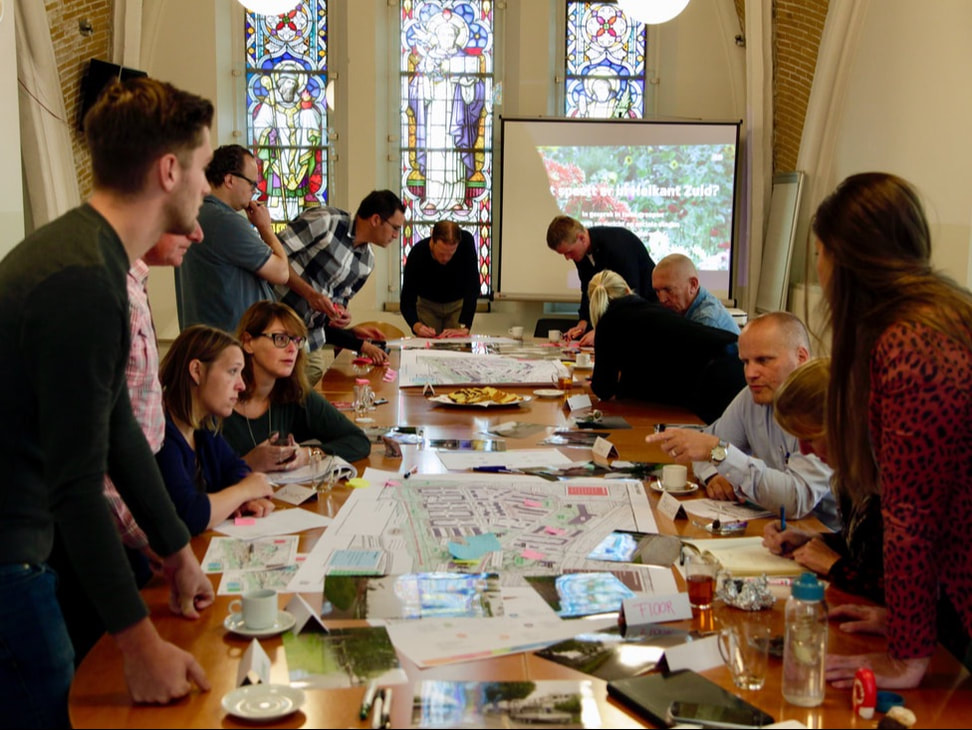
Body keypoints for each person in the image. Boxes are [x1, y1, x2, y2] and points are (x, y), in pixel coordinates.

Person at [0, 77, 215, 725]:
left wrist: (177, 551)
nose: (206, 188)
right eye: (203, 169)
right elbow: (75, 485)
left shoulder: (93, 254)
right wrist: (139, 643)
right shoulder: (83, 281)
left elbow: (118, 425)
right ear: (168, 170)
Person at [811, 173, 972, 689]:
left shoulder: (911, 344)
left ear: (844, 257)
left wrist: (907, 655)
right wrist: (907, 622)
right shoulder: (940, 315)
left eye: (819, 252)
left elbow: (911, 518)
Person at [50, 223, 205, 666]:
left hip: (127, 518)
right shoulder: (105, 290)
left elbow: (127, 424)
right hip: (98, 527)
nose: (197, 233)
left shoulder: (133, 283)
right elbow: (95, 449)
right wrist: (151, 537)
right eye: (186, 215)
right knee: (103, 668)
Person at [645, 311, 838, 530]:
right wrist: (713, 476)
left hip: (830, 535)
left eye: (763, 360)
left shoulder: (821, 403)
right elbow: (703, 447)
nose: (750, 373)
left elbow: (795, 500)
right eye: (745, 362)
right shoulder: (752, 396)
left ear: (801, 357)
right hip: (788, 530)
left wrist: (720, 453)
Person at [761, 358, 884, 604]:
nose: (805, 452)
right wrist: (813, 540)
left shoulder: (894, 484)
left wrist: (834, 566)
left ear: (845, 427)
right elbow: (863, 549)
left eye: (810, 438)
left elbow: (909, 590)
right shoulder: (849, 478)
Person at [156, 326, 276, 536]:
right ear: (197, 371)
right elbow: (187, 515)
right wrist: (244, 491)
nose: (241, 385)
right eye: (232, 371)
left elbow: (235, 469)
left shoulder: (203, 428)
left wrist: (245, 498)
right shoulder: (160, 434)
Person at [275, 190, 406, 382]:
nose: (396, 235)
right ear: (376, 220)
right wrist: (310, 294)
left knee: (311, 388)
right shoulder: (327, 221)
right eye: (395, 228)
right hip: (276, 321)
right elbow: (272, 254)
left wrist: (342, 318)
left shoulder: (366, 263)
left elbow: (335, 305)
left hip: (309, 339)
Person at [223, 301, 371, 469]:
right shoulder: (217, 401)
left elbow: (358, 441)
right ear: (248, 342)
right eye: (281, 338)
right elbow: (196, 481)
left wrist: (308, 455)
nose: (292, 349)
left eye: (296, 340)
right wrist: (248, 463)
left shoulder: (293, 393)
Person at [587, 270, 743, 423]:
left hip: (717, 376)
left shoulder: (608, 324)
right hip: (733, 357)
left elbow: (603, 389)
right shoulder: (651, 311)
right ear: (628, 290)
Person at [176, 144, 290, 332]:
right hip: (229, 342)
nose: (255, 190)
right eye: (252, 184)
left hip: (206, 338)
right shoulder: (225, 221)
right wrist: (265, 228)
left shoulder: (195, 212)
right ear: (229, 179)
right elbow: (281, 272)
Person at [545, 215, 658, 347]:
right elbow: (588, 290)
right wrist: (583, 322)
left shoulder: (618, 245)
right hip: (625, 316)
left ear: (581, 238)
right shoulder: (581, 253)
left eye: (569, 252)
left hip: (646, 315)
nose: (567, 258)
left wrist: (601, 330)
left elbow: (629, 296)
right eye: (563, 254)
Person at [400, 220, 480, 337]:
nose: (446, 258)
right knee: (427, 346)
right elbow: (407, 298)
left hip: (457, 305)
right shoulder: (418, 253)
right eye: (442, 253)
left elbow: (473, 287)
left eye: (451, 254)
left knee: (457, 346)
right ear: (432, 240)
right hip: (428, 306)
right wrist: (416, 325)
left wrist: (465, 326)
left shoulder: (466, 243)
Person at [651, 253, 739, 334]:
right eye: (657, 291)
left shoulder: (707, 320)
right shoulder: (684, 310)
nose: (662, 299)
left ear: (693, 285)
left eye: (668, 290)